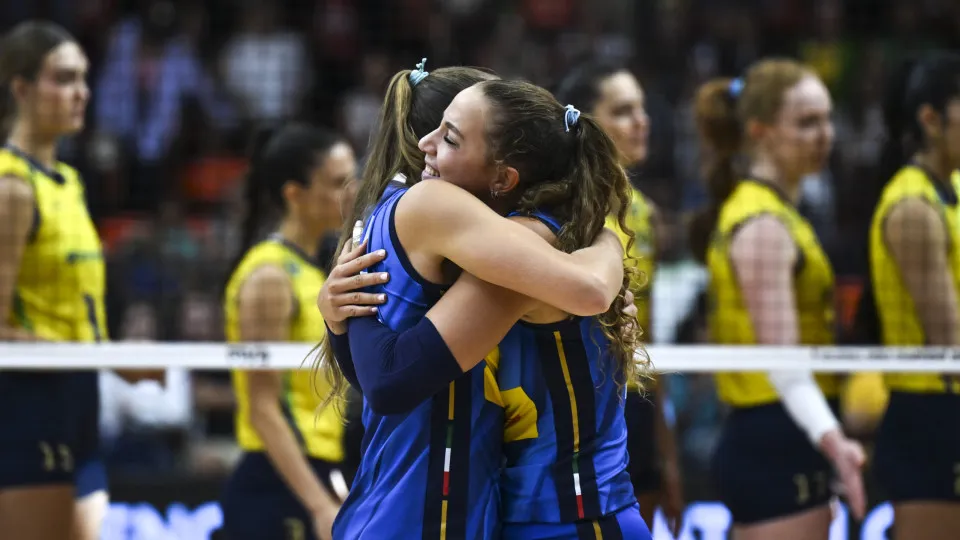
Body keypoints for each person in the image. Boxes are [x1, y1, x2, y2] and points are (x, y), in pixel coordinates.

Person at [322, 77, 650, 539]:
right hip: (508, 516)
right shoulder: (497, 251)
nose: (424, 147)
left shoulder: (531, 247)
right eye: (435, 128)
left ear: (504, 174)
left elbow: (390, 381)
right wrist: (339, 317)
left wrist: (610, 242)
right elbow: (399, 380)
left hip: (578, 518)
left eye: (451, 136)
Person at [688, 58, 866, 539]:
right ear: (761, 131)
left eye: (827, 119)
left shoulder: (779, 211)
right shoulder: (763, 224)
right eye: (807, 122)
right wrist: (835, 444)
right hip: (778, 432)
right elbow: (783, 362)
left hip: (790, 430)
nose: (824, 134)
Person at [554, 60, 684, 535]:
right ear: (587, 122)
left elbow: (647, 339)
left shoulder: (643, 210)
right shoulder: (564, 205)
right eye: (623, 110)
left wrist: (668, 457)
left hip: (634, 400)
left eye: (642, 109)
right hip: (577, 405)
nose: (641, 121)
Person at [0, 20, 113, 540]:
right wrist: (66, 349)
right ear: (20, 89)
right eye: (64, 79)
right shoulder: (11, 187)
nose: (80, 93)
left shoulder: (69, 181)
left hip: (80, 395)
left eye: (84, 79)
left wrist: (118, 359)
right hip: (28, 398)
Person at [220, 124, 358, 540]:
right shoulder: (270, 275)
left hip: (320, 465)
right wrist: (318, 504)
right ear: (293, 194)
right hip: (277, 481)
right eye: (336, 183)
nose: (349, 193)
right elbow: (262, 407)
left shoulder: (317, 269)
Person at [866, 52, 960, 540]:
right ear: (931, 119)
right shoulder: (913, 207)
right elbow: (951, 344)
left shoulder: (953, 188)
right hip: (933, 414)